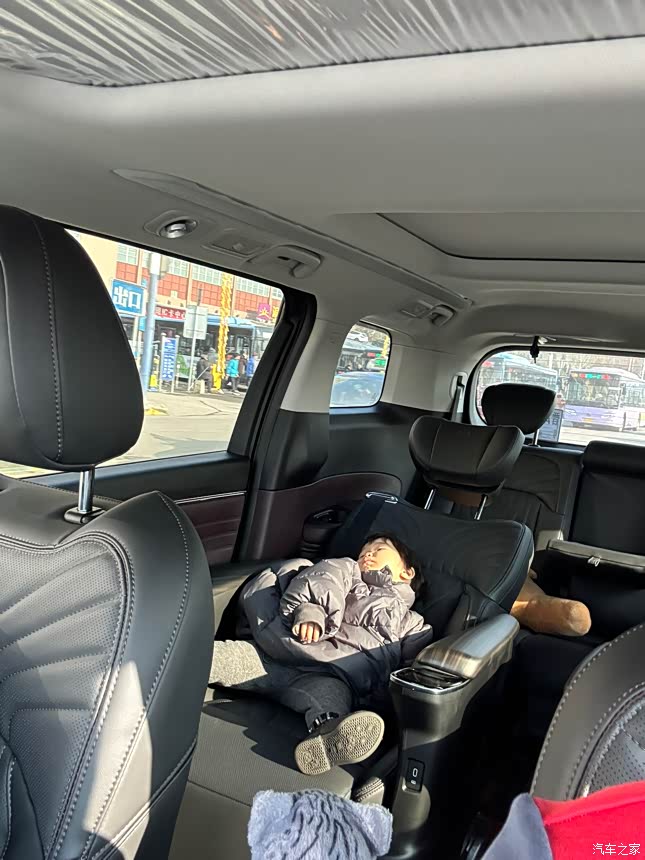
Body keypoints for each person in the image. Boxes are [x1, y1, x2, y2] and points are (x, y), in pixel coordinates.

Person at [210, 535, 432, 775]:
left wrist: (378, 704)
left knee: (330, 701)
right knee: (228, 659)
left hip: (332, 678)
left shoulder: (413, 624)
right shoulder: (349, 570)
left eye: (378, 549)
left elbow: (405, 675)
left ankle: (327, 738)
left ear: (407, 572)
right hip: (285, 652)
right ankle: (186, 664)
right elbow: (323, 580)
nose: (366, 554)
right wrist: (312, 612)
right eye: (363, 551)